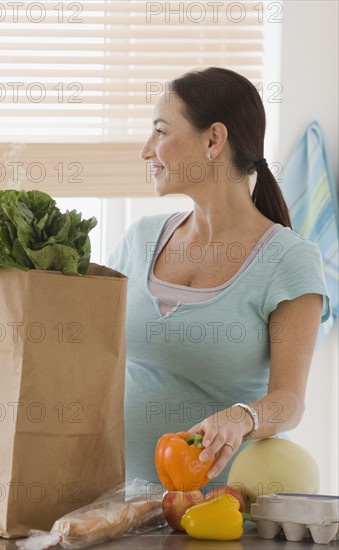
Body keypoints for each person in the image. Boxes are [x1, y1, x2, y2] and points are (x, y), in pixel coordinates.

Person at [108, 67, 330, 492]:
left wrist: (241, 416)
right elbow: (90, 354)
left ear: (213, 140)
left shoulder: (289, 259)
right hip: (117, 504)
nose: (145, 151)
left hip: (223, 513)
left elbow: (290, 402)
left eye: (160, 131)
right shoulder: (138, 240)